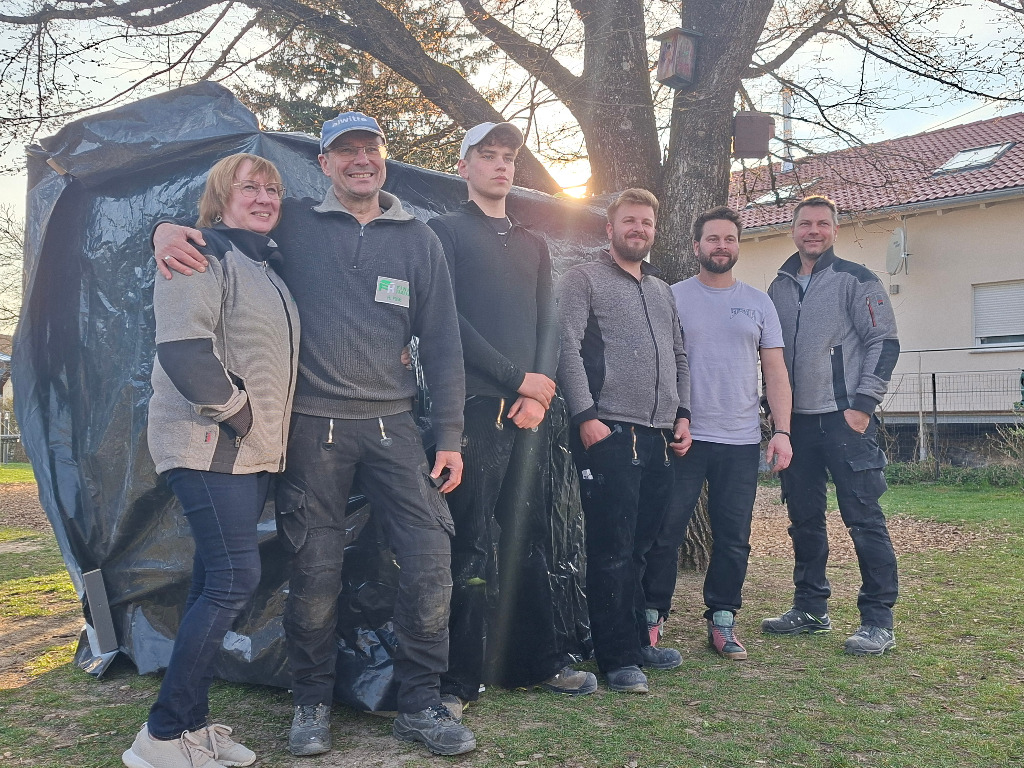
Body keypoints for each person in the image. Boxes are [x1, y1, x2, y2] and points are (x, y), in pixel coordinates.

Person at [153, 112, 476, 756]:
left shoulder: (419, 239)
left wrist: (448, 435)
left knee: (429, 558)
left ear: (384, 157)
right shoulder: (293, 222)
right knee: (315, 566)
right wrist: (162, 230)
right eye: (345, 151)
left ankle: (420, 703)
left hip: (394, 426)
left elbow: (443, 342)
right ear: (324, 163)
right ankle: (310, 704)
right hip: (312, 428)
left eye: (370, 148)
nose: (361, 160)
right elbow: (218, 230)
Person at [125, 154, 300, 768]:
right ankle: (163, 734)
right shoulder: (201, 253)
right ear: (220, 198)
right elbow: (182, 349)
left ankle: (191, 726)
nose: (264, 197)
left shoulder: (263, 265)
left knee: (212, 579)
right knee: (234, 579)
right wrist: (239, 413)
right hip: (209, 447)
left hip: (247, 455)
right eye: (249, 187)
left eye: (272, 188)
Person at [426, 122, 596, 714]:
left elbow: (550, 323)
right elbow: (446, 318)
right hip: (473, 410)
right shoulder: (443, 232)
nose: (501, 165)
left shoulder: (534, 243)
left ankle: (536, 662)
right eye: (488, 156)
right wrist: (514, 379)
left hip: (530, 415)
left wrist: (539, 393)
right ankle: (457, 681)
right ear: (464, 166)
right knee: (470, 543)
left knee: (529, 537)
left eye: (508, 157)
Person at [641, 206, 792, 662]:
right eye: (713, 238)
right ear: (696, 246)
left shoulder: (759, 303)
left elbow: (776, 372)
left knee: (733, 536)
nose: (721, 246)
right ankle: (651, 615)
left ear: (737, 246)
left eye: (729, 238)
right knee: (665, 531)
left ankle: (723, 618)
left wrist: (782, 431)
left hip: (741, 439)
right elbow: (656, 363)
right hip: (683, 437)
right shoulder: (671, 297)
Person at [557, 188, 692, 693]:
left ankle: (637, 641)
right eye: (630, 221)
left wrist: (683, 413)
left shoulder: (661, 290)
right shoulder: (583, 279)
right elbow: (565, 346)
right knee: (611, 548)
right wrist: (585, 415)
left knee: (641, 546)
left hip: (659, 435)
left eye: (647, 223)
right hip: (609, 430)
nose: (639, 229)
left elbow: (679, 355)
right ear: (609, 228)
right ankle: (616, 659)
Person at [762, 195, 901, 656]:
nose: (813, 231)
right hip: (795, 426)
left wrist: (862, 406)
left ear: (835, 231)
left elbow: (885, 342)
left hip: (846, 422)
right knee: (803, 520)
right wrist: (775, 416)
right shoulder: (778, 288)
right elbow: (770, 356)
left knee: (863, 520)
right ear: (793, 230)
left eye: (823, 224)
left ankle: (877, 620)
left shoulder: (857, 280)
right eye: (805, 224)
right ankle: (810, 608)